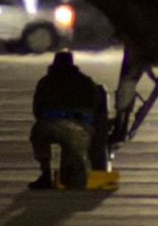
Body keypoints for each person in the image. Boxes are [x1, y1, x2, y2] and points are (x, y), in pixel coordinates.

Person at [29, 51, 107, 189]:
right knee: (74, 162)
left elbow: (37, 110)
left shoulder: (45, 82)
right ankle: (74, 173)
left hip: (50, 125)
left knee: (38, 135)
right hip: (80, 126)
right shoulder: (86, 82)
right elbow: (97, 107)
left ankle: (46, 174)